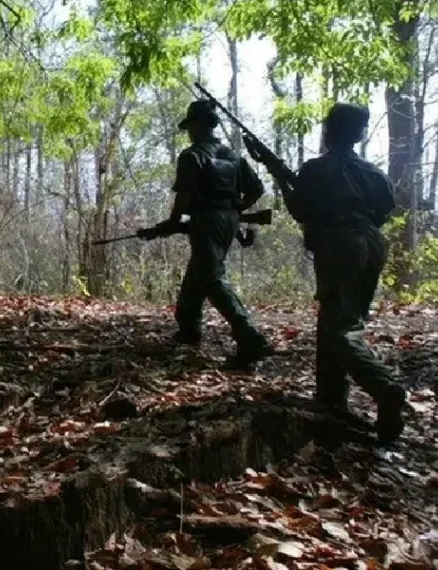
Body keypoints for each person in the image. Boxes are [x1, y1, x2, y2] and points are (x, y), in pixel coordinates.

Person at [243, 103, 406, 444]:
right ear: (358, 133)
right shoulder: (372, 171)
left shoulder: (317, 168)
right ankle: (332, 399)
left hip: (340, 244)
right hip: (372, 244)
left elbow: (301, 209)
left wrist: (280, 177)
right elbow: (383, 213)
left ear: (330, 130)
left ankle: (383, 386)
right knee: (339, 319)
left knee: (341, 329)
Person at [142, 100, 272, 367]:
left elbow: (185, 195)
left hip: (206, 221)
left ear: (200, 125)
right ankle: (189, 327)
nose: (189, 131)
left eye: (191, 126)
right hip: (229, 222)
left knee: (211, 277)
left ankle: (250, 336)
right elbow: (257, 188)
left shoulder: (192, 156)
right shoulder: (233, 156)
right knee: (200, 271)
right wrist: (235, 210)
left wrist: (172, 221)